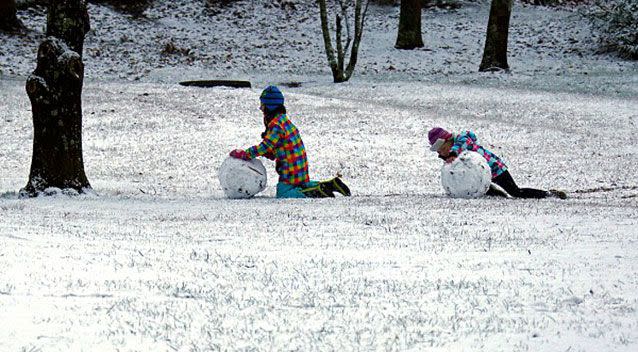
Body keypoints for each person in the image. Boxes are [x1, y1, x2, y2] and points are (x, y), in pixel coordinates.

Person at [229, 85, 351, 199]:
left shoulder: (276, 125)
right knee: (302, 184)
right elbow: (278, 145)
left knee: (283, 192)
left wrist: (246, 154)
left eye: (262, 105)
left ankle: (317, 192)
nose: (260, 108)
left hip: (291, 169)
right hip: (300, 167)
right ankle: (330, 184)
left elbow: (266, 146)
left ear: (269, 106)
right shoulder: (283, 120)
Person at [427, 127, 567, 199]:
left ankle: (548, 194)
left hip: (496, 169)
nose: (443, 153)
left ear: (448, 141)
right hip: (482, 175)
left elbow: (462, 144)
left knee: (516, 192)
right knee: (484, 192)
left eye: (443, 149)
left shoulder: (462, 140)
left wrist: (452, 153)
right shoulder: (453, 153)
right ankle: (498, 194)